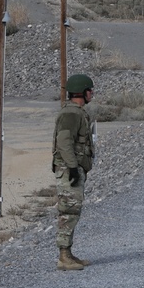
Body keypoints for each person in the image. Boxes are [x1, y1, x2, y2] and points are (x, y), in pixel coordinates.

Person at [52, 74, 97, 271]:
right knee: (68, 212)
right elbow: (64, 141)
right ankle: (63, 257)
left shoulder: (77, 112)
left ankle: (68, 254)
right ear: (82, 92)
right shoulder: (71, 114)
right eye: (90, 90)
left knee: (73, 211)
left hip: (73, 167)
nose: (92, 93)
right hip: (68, 168)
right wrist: (71, 167)